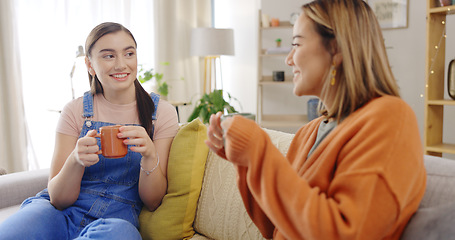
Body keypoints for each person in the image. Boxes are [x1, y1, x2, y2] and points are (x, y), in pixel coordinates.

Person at [205, 0, 426, 239]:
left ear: (337, 50)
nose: (289, 60)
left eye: (297, 44)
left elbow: (347, 232)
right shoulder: (308, 132)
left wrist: (258, 147)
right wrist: (245, 161)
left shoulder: (389, 117)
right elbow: (276, 226)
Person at [0, 22, 179, 239]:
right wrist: (76, 159)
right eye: (108, 56)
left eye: (129, 53)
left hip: (115, 222)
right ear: (90, 65)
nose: (121, 64)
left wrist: (149, 155)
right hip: (58, 214)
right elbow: (58, 199)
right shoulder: (74, 111)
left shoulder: (161, 113)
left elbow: (153, 202)